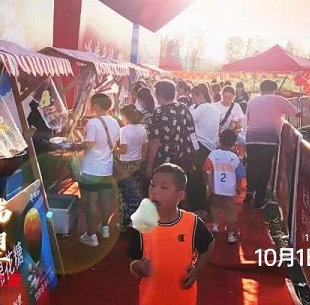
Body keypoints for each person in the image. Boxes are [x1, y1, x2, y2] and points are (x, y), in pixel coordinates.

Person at [128, 163, 214, 305]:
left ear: (179, 196)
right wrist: (140, 268)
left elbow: (209, 244)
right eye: (152, 185)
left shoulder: (192, 222)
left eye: (164, 187)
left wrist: (197, 269)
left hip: (183, 298)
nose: (155, 191)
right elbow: (133, 261)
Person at [245, 80, 301, 209]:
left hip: (251, 138)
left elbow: (247, 119)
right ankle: (260, 199)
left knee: (252, 166)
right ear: (274, 89)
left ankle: (249, 192)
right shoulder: (279, 99)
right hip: (269, 140)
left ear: (261, 89)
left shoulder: (252, 101)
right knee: (264, 168)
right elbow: (298, 113)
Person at [79, 93, 120, 247]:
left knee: (91, 201)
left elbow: (89, 145)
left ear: (96, 105)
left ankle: (91, 235)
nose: (90, 106)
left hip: (92, 168)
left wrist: (76, 144)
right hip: (107, 168)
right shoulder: (115, 122)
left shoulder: (93, 122)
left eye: (91, 104)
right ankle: (105, 228)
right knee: (105, 200)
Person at [203, 129, 246, 244]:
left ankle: (215, 226)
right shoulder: (234, 157)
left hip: (216, 188)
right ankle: (231, 234)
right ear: (233, 143)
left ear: (220, 140)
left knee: (215, 206)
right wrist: (238, 187)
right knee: (230, 211)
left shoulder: (213, 154)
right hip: (229, 189)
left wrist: (207, 183)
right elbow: (240, 174)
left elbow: (206, 168)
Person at [146, 81, 195, 179]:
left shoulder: (158, 113)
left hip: (165, 160)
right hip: (184, 158)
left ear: (160, 95)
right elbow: (192, 132)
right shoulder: (184, 108)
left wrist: (149, 165)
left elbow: (155, 141)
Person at [115, 105, 148, 232]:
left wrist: (115, 149)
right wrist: (142, 156)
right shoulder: (141, 129)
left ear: (126, 117)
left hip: (125, 164)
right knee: (136, 191)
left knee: (123, 194)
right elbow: (146, 145)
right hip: (137, 162)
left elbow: (123, 149)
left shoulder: (124, 130)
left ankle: (124, 222)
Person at [188, 85, 220, 215]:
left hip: (200, 146)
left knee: (195, 178)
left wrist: (192, 108)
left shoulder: (201, 108)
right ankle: (207, 205)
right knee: (206, 178)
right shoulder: (215, 109)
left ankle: (198, 206)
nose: (193, 101)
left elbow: (188, 120)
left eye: (193, 97)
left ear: (200, 95)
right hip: (211, 147)